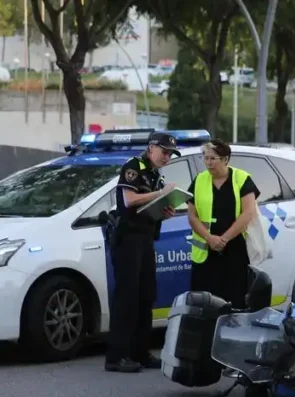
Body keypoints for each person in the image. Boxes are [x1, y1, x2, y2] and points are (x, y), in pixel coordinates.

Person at [105, 132, 179, 373]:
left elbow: (147, 207)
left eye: (170, 154)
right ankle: (117, 356)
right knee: (127, 297)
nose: (167, 157)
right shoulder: (133, 167)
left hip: (146, 237)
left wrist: (163, 210)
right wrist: (160, 194)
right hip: (127, 238)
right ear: (151, 148)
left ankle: (140, 352)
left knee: (146, 295)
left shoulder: (156, 175)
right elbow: (128, 200)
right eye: (164, 152)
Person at [186, 139, 261, 308]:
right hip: (205, 251)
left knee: (234, 298)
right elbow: (192, 216)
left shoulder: (241, 178)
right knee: (204, 301)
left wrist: (223, 239)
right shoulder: (199, 180)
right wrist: (210, 238)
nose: (208, 163)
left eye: (213, 158)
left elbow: (248, 213)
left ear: (225, 159)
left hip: (234, 249)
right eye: (205, 158)